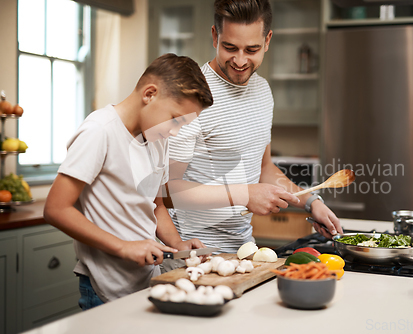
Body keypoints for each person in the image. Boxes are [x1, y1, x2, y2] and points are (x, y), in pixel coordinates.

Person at [165, 0, 342, 257]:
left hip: (243, 250)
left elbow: (264, 168)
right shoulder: (190, 95)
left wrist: (310, 202)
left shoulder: (262, 91)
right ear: (215, 36)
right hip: (191, 253)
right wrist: (244, 194)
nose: (239, 60)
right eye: (230, 47)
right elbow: (168, 191)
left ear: (267, 41)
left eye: (251, 49)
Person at [43, 53, 213, 310]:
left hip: (146, 282)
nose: (176, 130)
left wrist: (178, 244)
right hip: (103, 288)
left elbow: (156, 206)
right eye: (176, 119)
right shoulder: (100, 131)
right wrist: (123, 247)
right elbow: (56, 209)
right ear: (149, 94)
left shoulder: (157, 137)